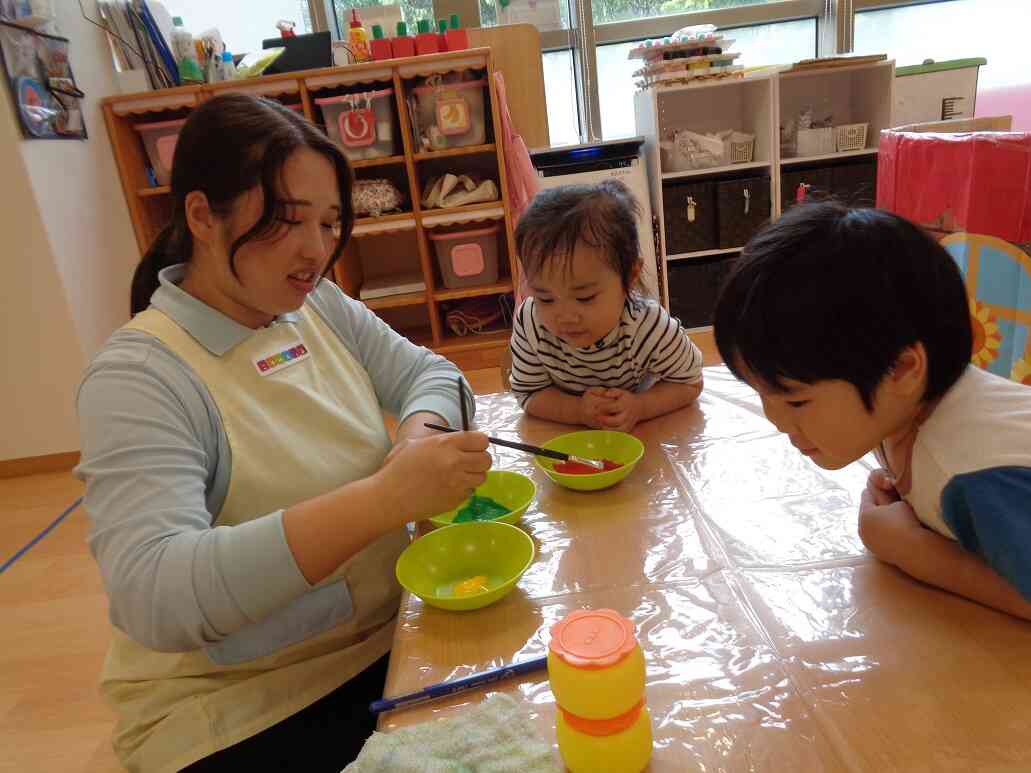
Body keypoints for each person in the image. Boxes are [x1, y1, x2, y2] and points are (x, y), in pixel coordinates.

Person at [74, 93, 492, 772]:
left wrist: (419, 435)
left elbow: (432, 374)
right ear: (202, 215)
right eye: (286, 221)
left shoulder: (313, 305)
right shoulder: (140, 376)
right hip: (236, 707)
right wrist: (384, 499)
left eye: (329, 223)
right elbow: (154, 592)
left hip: (382, 641)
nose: (317, 249)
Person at [713, 201, 1031, 620]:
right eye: (759, 392)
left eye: (795, 400)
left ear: (901, 368)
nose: (775, 419)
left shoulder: (971, 474)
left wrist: (914, 552)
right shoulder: (905, 409)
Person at [508, 180, 704, 432]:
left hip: (637, 437)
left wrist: (641, 407)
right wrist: (578, 411)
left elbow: (690, 382)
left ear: (629, 278)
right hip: (563, 440)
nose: (565, 316)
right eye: (545, 298)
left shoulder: (648, 326)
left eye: (585, 297)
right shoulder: (531, 322)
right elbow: (529, 393)